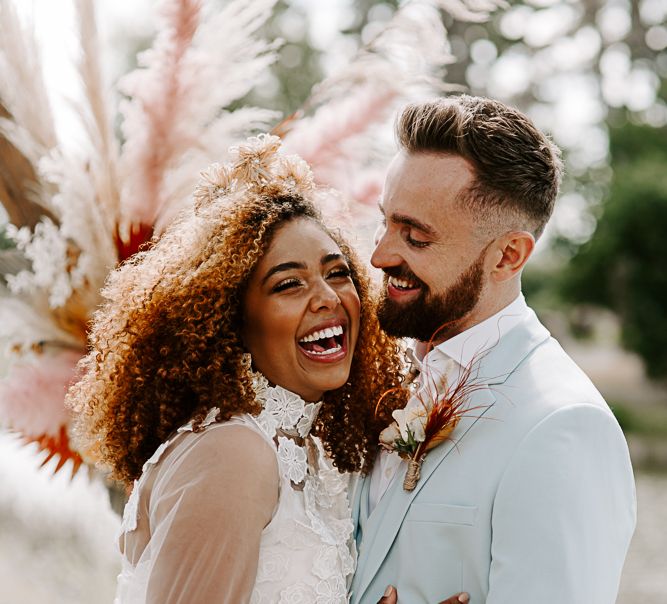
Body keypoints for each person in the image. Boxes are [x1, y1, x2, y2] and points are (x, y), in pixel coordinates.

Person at [66, 134, 465, 604]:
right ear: (229, 319)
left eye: (338, 273)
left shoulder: (306, 444)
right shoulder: (232, 452)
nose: (327, 297)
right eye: (288, 284)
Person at [350, 96, 636, 604]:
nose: (379, 254)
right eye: (386, 221)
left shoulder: (563, 427)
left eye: (415, 236)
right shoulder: (380, 374)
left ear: (508, 255)